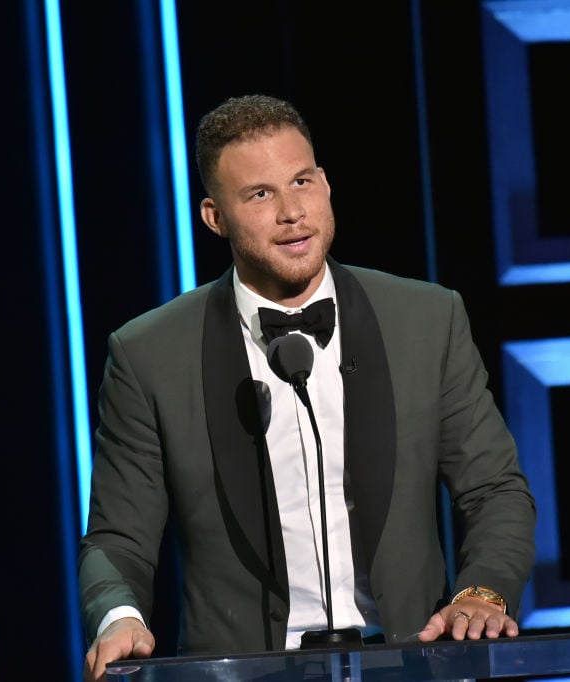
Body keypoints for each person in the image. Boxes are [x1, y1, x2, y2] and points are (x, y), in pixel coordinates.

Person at [79, 94, 536, 681]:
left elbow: (495, 489)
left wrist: (483, 593)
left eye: (302, 181)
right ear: (215, 217)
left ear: (325, 182)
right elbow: (118, 538)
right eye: (260, 194)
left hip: (411, 660)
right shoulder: (149, 355)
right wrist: (119, 615)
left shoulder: (426, 320)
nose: (293, 212)